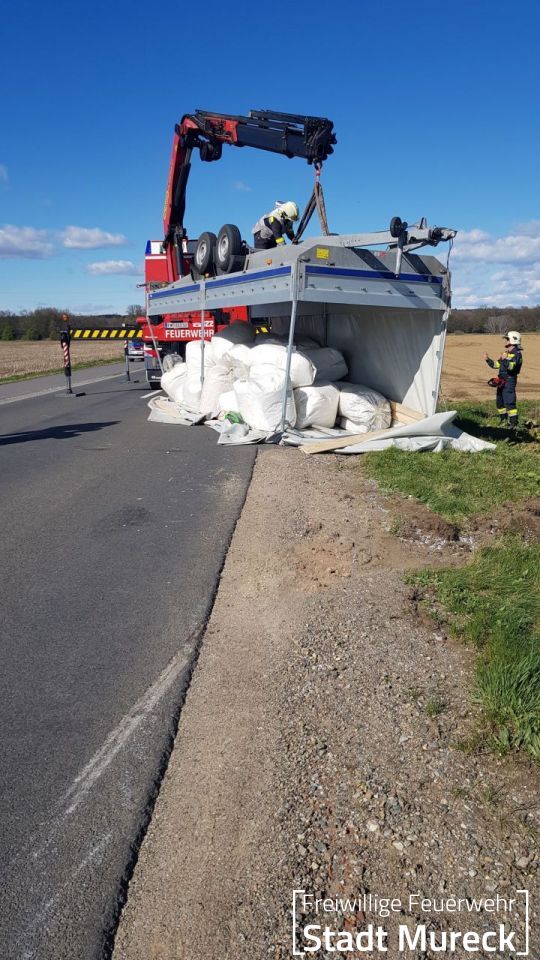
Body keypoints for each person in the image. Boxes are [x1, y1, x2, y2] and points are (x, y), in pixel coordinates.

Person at [484, 330, 523, 428]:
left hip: (510, 380)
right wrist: (488, 360)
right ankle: (503, 420)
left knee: (509, 402)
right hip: (501, 380)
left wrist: (505, 359)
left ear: (513, 340)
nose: (505, 341)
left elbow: (511, 367)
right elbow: (496, 365)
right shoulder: (506, 353)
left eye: (507, 339)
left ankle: (513, 423)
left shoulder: (517, 354)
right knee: (500, 402)